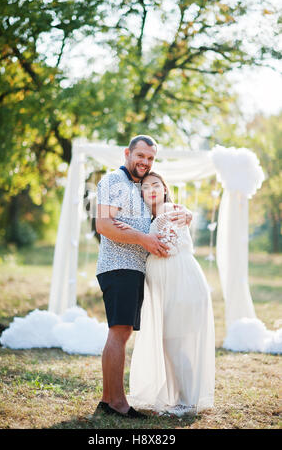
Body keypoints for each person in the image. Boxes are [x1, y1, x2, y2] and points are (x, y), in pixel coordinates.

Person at [95, 136, 191, 419]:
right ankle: (118, 404)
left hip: (135, 268)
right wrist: (144, 239)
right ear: (127, 152)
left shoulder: (139, 186)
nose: (145, 162)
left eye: (150, 158)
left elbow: (163, 207)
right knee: (119, 332)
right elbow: (103, 224)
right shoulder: (113, 181)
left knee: (121, 332)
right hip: (118, 266)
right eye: (140, 156)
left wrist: (186, 213)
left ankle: (107, 399)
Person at [114, 172, 215, 416]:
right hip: (170, 286)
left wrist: (136, 237)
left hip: (181, 283)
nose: (151, 190)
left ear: (165, 188)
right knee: (172, 343)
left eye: (156, 185)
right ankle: (179, 398)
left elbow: (165, 247)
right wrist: (138, 234)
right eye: (146, 187)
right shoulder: (152, 216)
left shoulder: (170, 209)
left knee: (176, 343)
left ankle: (188, 402)